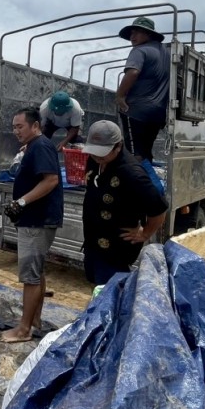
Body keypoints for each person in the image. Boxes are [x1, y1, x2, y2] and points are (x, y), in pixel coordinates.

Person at [0, 107, 64, 343]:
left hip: (37, 220)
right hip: (34, 218)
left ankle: (23, 330)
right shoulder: (36, 146)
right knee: (36, 272)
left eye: (20, 126)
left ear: (35, 125)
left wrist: (21, 201)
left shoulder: (41, 146)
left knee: (30, 276)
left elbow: (52, 180)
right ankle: (34, 320)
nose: (16, 131)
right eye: (14, 127)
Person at [80, 120, 168, 285]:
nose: (97, 156)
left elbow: (159, 209)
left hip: (115, 250)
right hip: (93, 243)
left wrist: (145, 233)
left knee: (111, 294)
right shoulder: (95, 160)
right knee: (96, 288)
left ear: (118, 146)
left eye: (102, 152)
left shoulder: (131, 173)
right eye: (93, 151)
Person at [115, 16, 171, 162]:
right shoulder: (167, 53)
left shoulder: (139, 50)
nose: (132, 37)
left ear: (149, 34)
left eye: (137, 32)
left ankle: (139, 183)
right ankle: (150, 182)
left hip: (136, 111)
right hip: (158, 113)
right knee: (146, 151)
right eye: (131, 33)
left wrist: (120, 96)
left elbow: (133, 72)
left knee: (134, 154)